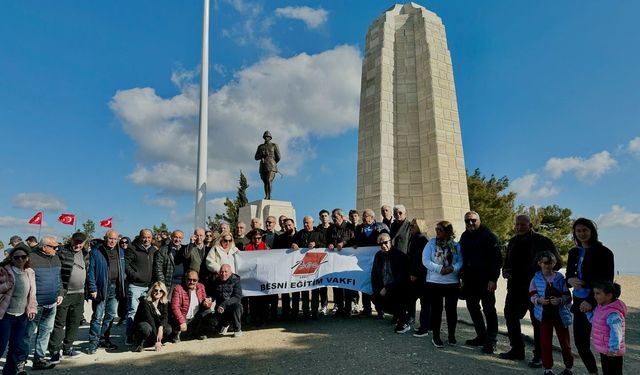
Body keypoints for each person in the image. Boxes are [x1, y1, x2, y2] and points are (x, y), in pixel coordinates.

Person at [500, 214, 561, 367]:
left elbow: (557, 263)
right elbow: (507, 261)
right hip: (515, 288)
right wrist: (505, 270)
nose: (519, 227)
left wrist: (542, 275)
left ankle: (539, 355)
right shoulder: (513, 241)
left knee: (538, 322)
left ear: (530, 224)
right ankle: (517, 350)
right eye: (517, 224)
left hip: (537, 289)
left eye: (523, 224)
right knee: (510, 316)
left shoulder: (543, 241)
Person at [566, 218, 615, 375]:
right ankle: (593, 372)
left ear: (592, 232)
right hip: (579, 302)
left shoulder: (605, 253)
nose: (581, 233)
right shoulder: (573, 252)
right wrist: (569, 279)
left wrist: (591, 302)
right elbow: (569, 275)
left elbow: (607, 282)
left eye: (585, 230)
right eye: (578, 231)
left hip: (599, 303)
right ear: (575, 233)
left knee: (603, 343)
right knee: (581, 344)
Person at [459, 211, 502, 354]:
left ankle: (491, 340)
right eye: (467, 221)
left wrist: (493, 279)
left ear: (479, 220)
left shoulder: (489, 237)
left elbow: (497, 260)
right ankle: (481, 336)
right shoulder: (464, 236)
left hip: (485, 281)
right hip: (470, 281)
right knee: (473, 308)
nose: (470, 223)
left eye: (473, 220)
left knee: (489, 310)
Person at [529, 251, 574, 375]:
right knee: (545, 343)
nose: (548, 266)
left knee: (565, 344)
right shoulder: (535, 278)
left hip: (560, 315)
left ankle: (569, 368)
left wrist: (559, 300)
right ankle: (547, 369)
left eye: (550, 263)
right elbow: (532, 295)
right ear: (539, 263)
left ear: (554, 263)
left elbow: (568, 296)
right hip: (544, 316)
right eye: (545, 263)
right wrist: (539, 300)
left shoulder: (560, 278)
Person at [23, 235, 63, 370]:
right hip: (35, 305)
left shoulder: (56, 258)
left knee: (45, 332)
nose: (57, 250)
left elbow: (59, 277)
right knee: (27, 334)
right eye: (54, 247)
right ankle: (20, 362)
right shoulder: (30, 258)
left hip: (52, 304)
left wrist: (60, 293)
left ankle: (39, 360)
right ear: (44, 247)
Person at [49, 233, 89, 362]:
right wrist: (60, 292)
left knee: (74, 322)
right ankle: (55, 350)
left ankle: (67, 348)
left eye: (80, 242)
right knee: (59, 323)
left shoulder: (85, 253)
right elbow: (57, 274)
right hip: (65, 294)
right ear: (71, 240)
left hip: (80, 294)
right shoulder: (62, 252)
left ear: (84, 243)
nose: (77, 245)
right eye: (76, 242)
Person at [423, 221, 462, 347]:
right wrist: (439, 269)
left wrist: (453, 268)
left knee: (451, 310)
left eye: (440, 229)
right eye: (436, 229)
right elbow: (425, 260)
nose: (437, 231)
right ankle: (436, 336)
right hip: (435, 281)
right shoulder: (431, 243)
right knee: (436, 310)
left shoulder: (456, 246)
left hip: (451, 282)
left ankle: (451, 336)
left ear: (448, 231)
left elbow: (461, 261)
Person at [86, 230, 126, 354]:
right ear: (105, 238)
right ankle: (93, 343)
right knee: (97, 316)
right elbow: (90, 271)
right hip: (101, 288)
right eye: (110, 238)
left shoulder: (120, 252)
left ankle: (104, 339)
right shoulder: (96, 252)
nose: (112, 241)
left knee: (110, 316)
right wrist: (92, 288)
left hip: (115, 288)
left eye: (115, 239)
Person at [0, 243, 36, 375]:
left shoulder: (29, 272)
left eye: (23, 257)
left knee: (15, 347)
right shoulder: (4, 270)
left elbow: (32, 293)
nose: (20, 260)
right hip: (5, 316)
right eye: (17, 257)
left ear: (27, 258)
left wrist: (32, 308)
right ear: (11, 258)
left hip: (21, 316)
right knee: (1, 346)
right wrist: (8, 284)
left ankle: (9, 372)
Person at [351, 208, 389, 316]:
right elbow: (356, 240)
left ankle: (380, 309)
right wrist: (355, 244)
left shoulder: (381, 227)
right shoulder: (359, 228)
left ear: (371, 217)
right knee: (365, 282)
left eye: (365, 215)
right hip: (364, 262)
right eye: (363, 216)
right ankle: (366, 308)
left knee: (377, 284)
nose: (363, 217)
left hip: (378, 261)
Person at [371, 233, 410, 334]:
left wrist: (388, 287)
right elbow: (374, 274)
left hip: (398, 288)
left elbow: (402, 277)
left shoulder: (400, 255)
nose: (383, 246)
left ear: (390, 241)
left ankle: (404, 320)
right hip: (384, 287)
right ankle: (396, 314)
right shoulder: (378, 256)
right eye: (380, 244)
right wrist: (376, 290)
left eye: (385, 242)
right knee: (376, 300)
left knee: (398, 300)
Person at [125, 229, 157, 344]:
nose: (146, 239)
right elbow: (126, 265)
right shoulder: (132, 248)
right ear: (140, 237)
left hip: (149, 287)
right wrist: (135, 276)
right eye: (144, 237)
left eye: (149, 237)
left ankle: (143, 335)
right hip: (135, 286)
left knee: (147, 312)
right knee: (133, 311)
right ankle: (129, 335)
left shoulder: (154, 250)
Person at [291, 216, 325, 319]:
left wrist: (317, 244)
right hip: (303, 266)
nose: (305, 225)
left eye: (307, 223)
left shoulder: (319, 233)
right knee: (304, 289)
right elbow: (293, 243)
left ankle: (315, 312)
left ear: (312, 222)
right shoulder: (300, 233)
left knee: (315, 289)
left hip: (316, 265)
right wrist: (293, 245)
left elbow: (326, 244)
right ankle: (305, 312)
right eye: (304, 223)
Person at [591, 281, 626, 375]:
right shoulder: (601, 307)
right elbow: (596, 321)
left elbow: (616, 332)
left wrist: (613, 349)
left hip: (612, 352)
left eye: (598, 293)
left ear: (609, 296)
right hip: (605, 349)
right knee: (607, 371)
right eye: (594, 293)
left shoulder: (613, 313)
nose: (595, 296)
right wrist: (587, 313)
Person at [169, 271, 214, 342]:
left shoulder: (201, 287)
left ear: (198, 280)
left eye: (194, 280)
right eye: (189, 279)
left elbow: (205, 303)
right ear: (185, 279)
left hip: (195, 317)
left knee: (208, 312)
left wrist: (207, 304)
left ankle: (199, 332)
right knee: (175, 317)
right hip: (183, 318)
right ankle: (176, 334)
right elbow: (175, 307)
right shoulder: (178, 288)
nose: (192, 282)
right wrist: (182, 321)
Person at [327, 209, 354, 317]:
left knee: (347, 285)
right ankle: (339, 308)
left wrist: (344, 243)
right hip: (335, 261)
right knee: (337, 285)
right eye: (333, 217)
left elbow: (353, 240)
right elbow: (327, 240)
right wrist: (329, 244)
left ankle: (348, 309)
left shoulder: (349, 227)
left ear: (342, 217)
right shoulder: (330, 228)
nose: (334, 219)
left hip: (347, 260)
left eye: (335, 217)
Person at [131, 281, 172, 352]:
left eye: (161, 290)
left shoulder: (164, 302)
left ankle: (151, 341)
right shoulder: (145, 302)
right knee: (146, 328)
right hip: (143, 324)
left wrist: (161, 327)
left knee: (168, 329)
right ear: (152, 290)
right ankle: (140, 343)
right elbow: (150, 320)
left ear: (164, 292)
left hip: (154, 326)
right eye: (156, 290)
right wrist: (157, 340)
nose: (158, 292)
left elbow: (165, 316)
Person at [273, 218, 298, 319]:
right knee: (285, 290)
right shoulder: (280, 238)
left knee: (297, 290)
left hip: (297, 267)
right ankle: (286, 311)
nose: (288, 227)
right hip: (284, 268)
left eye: (289, 225)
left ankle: (295, 312)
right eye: (286, 226)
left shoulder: (300, 235)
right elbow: (275, 251)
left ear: (293, 224)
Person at [407, 218, 429, 333]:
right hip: (418, 274)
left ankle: (424, 326)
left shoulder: (421, 239)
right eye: (410, 225)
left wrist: (414, 273)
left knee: (423, 301)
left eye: (412, 225)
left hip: (420, 275)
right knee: (414, 299)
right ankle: (422, 323)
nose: (410, 227)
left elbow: (420, 259)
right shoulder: (416, 238)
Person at [210, 264, 243, 337]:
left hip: (232, 308)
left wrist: (224, 305)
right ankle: (224, 325)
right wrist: (209, 299)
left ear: (230, 272)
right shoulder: (216, 281)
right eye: (221, 272)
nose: (223, 274)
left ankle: (237, 329)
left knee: (237, 306)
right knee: (213, 324)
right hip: (219, 309)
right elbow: (213, 295)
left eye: (226, 272)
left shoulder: (236, 280)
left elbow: (237, 297)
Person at [153, 229, 185, 297]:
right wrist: (162, 284)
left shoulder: (184, 250)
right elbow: (158, 269)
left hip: (182, 283)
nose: (177, 239)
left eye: (180, 238)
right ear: (171, 237)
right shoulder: (163, 250)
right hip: (169, 284)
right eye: (175, 237)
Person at [254, 130, 281, 200]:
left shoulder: (274, 145)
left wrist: (273, 163)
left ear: (270, 137)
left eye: (267, 137)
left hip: (271, 166)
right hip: (263, 166)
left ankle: (270, 196)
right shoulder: (260, 147)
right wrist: (261, 155)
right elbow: (256, 157)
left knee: (269, 180)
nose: (266, 138)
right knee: (265, 182)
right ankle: (266, 196)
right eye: (265, 137)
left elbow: (278, 157)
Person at [315, 209, 332, 314]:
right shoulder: (317, 230)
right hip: (321, 259)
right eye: (322, 216)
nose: (324, 217)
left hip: (333, 258)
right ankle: (324, 305)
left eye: (326, 215)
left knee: (336, 283)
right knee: (323, 284)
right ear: (320, 218)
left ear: (328, 217)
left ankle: (336, 304)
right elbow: (317, 242)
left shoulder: (333, 228)